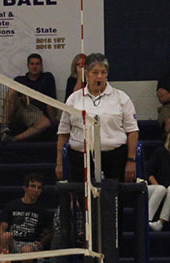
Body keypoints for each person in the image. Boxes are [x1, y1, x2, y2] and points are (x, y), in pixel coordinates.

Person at [57, 53, 139, 183]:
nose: (99, 76)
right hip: (81, 157)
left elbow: (132, 131)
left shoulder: (121, 98)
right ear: (87, 74)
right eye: (95, 72)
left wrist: (131, 160)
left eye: (103, 72)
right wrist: (59, 163)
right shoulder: (73, 99)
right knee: (82, 198)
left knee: (113, 198)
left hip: (114, 157)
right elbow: (63, 133)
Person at [0, 173, 52, 263]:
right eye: (33, 186)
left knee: (27, 249)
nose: (36, 190)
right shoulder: (12, 206)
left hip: (30, 244)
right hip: (14, 242)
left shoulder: (43, 211)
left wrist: (42, 242)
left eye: (39, 187)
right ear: (25, 188)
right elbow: (3, 226)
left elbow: (50, 232)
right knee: (5, 236)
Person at [0, 53, 57, 143]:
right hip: (20, 109)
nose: (35, 67)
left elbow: (50, 101)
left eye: (37, 64)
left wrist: (54, 121)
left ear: (41, 66)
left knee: (45, 123)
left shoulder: (47, 78)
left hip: (35, 113)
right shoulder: (19, 80)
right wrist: (23, 99)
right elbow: (11, 99)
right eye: (32, 64)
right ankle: (4, 127)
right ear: (28, 65)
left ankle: (14, 139)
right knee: (12, 91)